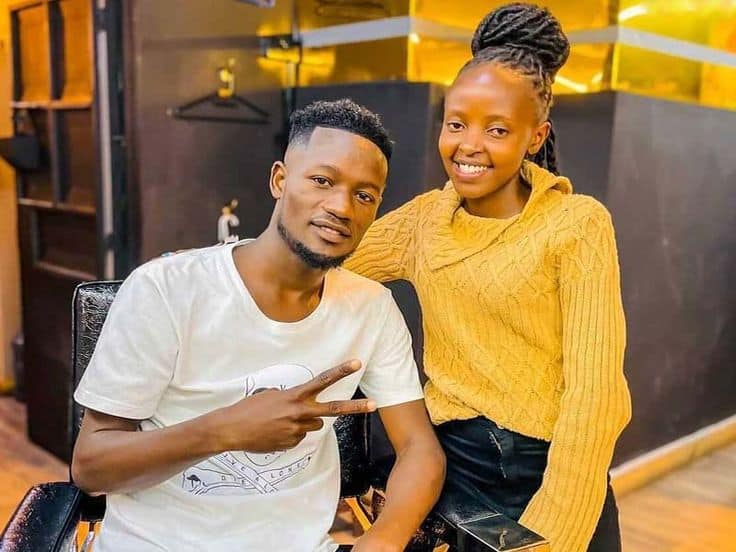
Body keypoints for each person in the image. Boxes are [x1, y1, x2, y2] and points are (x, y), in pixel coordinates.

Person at [71, 99, 445, 552]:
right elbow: (91, 468)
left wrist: (383, 539)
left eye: (364, 195)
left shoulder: (371, 307)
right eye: (322, 181)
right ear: (280, 180)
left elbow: (420, 449)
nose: (342, 207)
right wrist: (225, 430)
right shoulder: (165, 289)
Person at [344, 4, 631, 551]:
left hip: (554, 475)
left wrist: (554, 534)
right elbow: (329, 268)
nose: (468, 145)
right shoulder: (425, 220)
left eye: (497, 129)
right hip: (453, 473)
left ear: (535, 135)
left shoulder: (577, 224)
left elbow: (596, 397)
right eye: (456, 124)